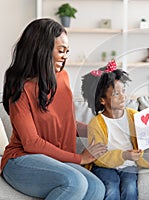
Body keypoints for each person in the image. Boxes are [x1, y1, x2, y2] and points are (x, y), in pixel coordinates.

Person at [1, 18, 108, 200]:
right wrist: (80, 158)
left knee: (97, 188)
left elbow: (66, 125)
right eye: (61, 50)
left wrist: (99, 129)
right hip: (21, 160)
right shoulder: (19, 88)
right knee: (74, 182)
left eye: (67, 51)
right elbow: (31, 143)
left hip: (56, 161)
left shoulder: (63, 78)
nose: (65, 56)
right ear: (41, 50)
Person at [82, 60, 149, 200]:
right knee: (110, 188)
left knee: (130, 188)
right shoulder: (96, 124)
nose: (123, 96)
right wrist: (123, 155)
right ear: (102, 100)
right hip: (104, 166)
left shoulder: (133, 116)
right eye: (116, 94)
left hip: (129, 165)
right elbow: (99, 157)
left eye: (124, 91)